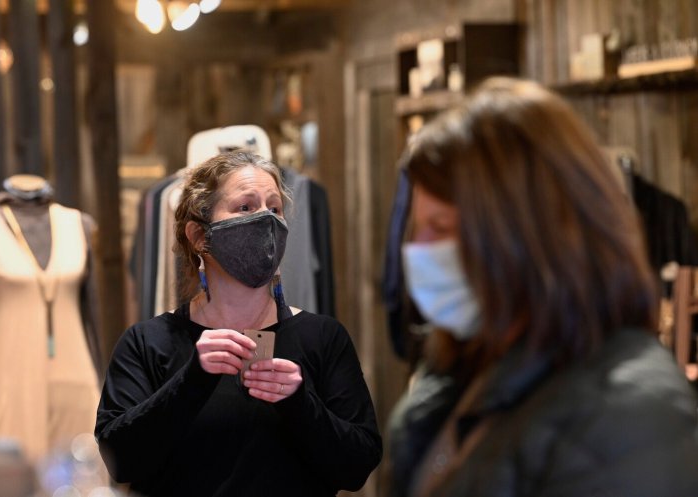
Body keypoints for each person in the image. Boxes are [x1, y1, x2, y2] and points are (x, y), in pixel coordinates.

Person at [390, 77, 698, 497]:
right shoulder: (468, 365)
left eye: (441, 229)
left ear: (528, 238)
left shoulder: (623, 415)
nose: (417, 249)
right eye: (418, 227)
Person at [96, 151, 382, 497]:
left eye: (273, 208)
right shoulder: (148, 342)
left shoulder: (322, 337)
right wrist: (192, 380)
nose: (266, 220)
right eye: (246, 207)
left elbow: (357, 468)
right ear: (200, 237)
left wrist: (299, 402)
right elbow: (121, 462)